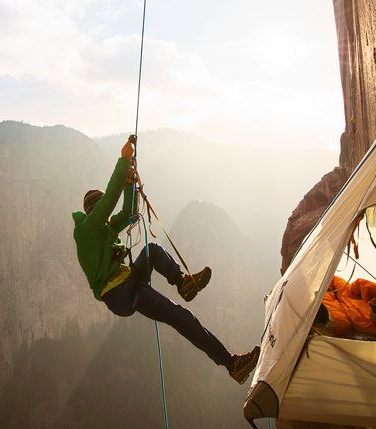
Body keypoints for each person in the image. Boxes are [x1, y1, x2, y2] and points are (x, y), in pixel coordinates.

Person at [72, 137, 260, 384]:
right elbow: (108, 203)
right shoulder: (87, 231)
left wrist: (130, 184)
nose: (108, 220)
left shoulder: (104, 229)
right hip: (120, 294)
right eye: (102, 214)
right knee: (180, 317)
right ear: (93, 212)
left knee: (153, 250)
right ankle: (231, 363)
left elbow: (129, 213)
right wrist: (123, 161)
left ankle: (182, 283)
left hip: (128, 285)